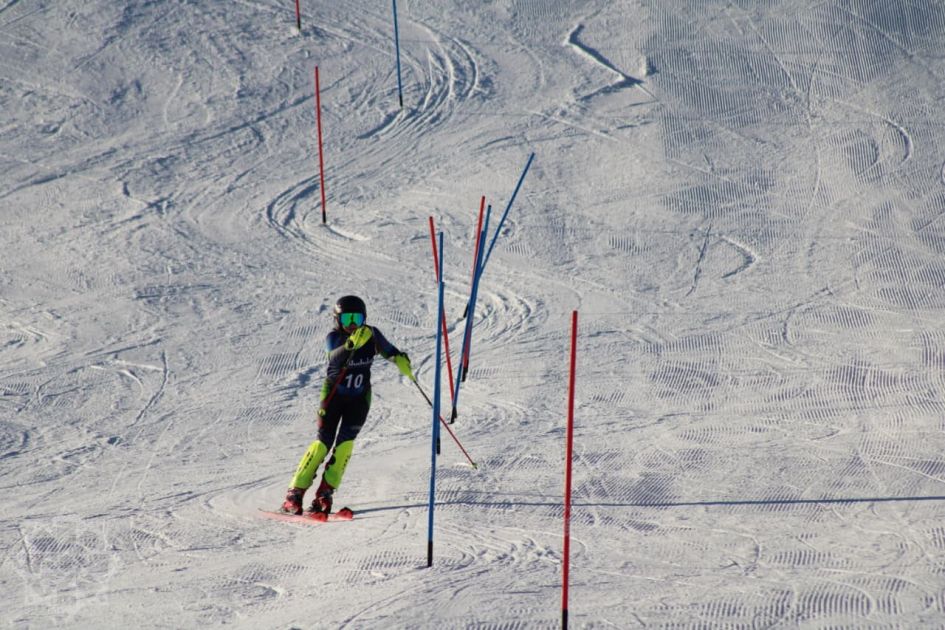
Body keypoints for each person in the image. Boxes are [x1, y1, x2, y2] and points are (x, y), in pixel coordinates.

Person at [281, 295, 413, 516]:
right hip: (333, 397)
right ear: (337, 320)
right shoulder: (334, 337)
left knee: (344, 447)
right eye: (347, 319)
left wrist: (400, 359)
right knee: (322, 444)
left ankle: (325, 494)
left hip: (359, 400)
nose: (352, 324)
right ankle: (294, 494)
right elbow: (334, 357)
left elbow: (390, 352)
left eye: (357, 318)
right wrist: (350, 345)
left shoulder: (372, 334)